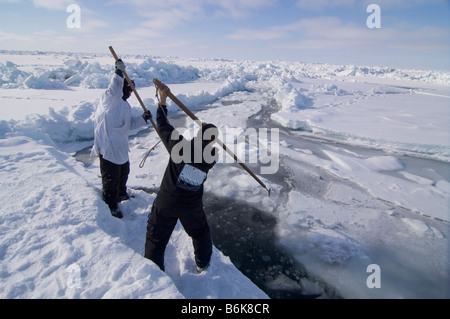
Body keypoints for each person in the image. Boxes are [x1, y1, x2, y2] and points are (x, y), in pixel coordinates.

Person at [144, 86, 219, 273]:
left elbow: (162, 125)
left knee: (156, 239)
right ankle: (203, 264)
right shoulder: (211, 157)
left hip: (167, 201)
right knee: (201, 233)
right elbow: (206, 146)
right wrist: (207, 135)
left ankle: (154, 274)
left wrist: (162, 101)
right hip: (191, 206)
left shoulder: (180, 147)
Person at [91, 59, 152, 219]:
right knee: (111, 179)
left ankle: (122, 194)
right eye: (129, 90)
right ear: (123, 88)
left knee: (124, 173)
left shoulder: (125, 105)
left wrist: (143, 118)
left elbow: (129, 125)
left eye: (131, 91)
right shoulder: (109, 100)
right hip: (109, 148)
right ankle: (111, 205)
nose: (130, 93)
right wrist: (118, 73)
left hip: (121, 148)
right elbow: (114, 89)